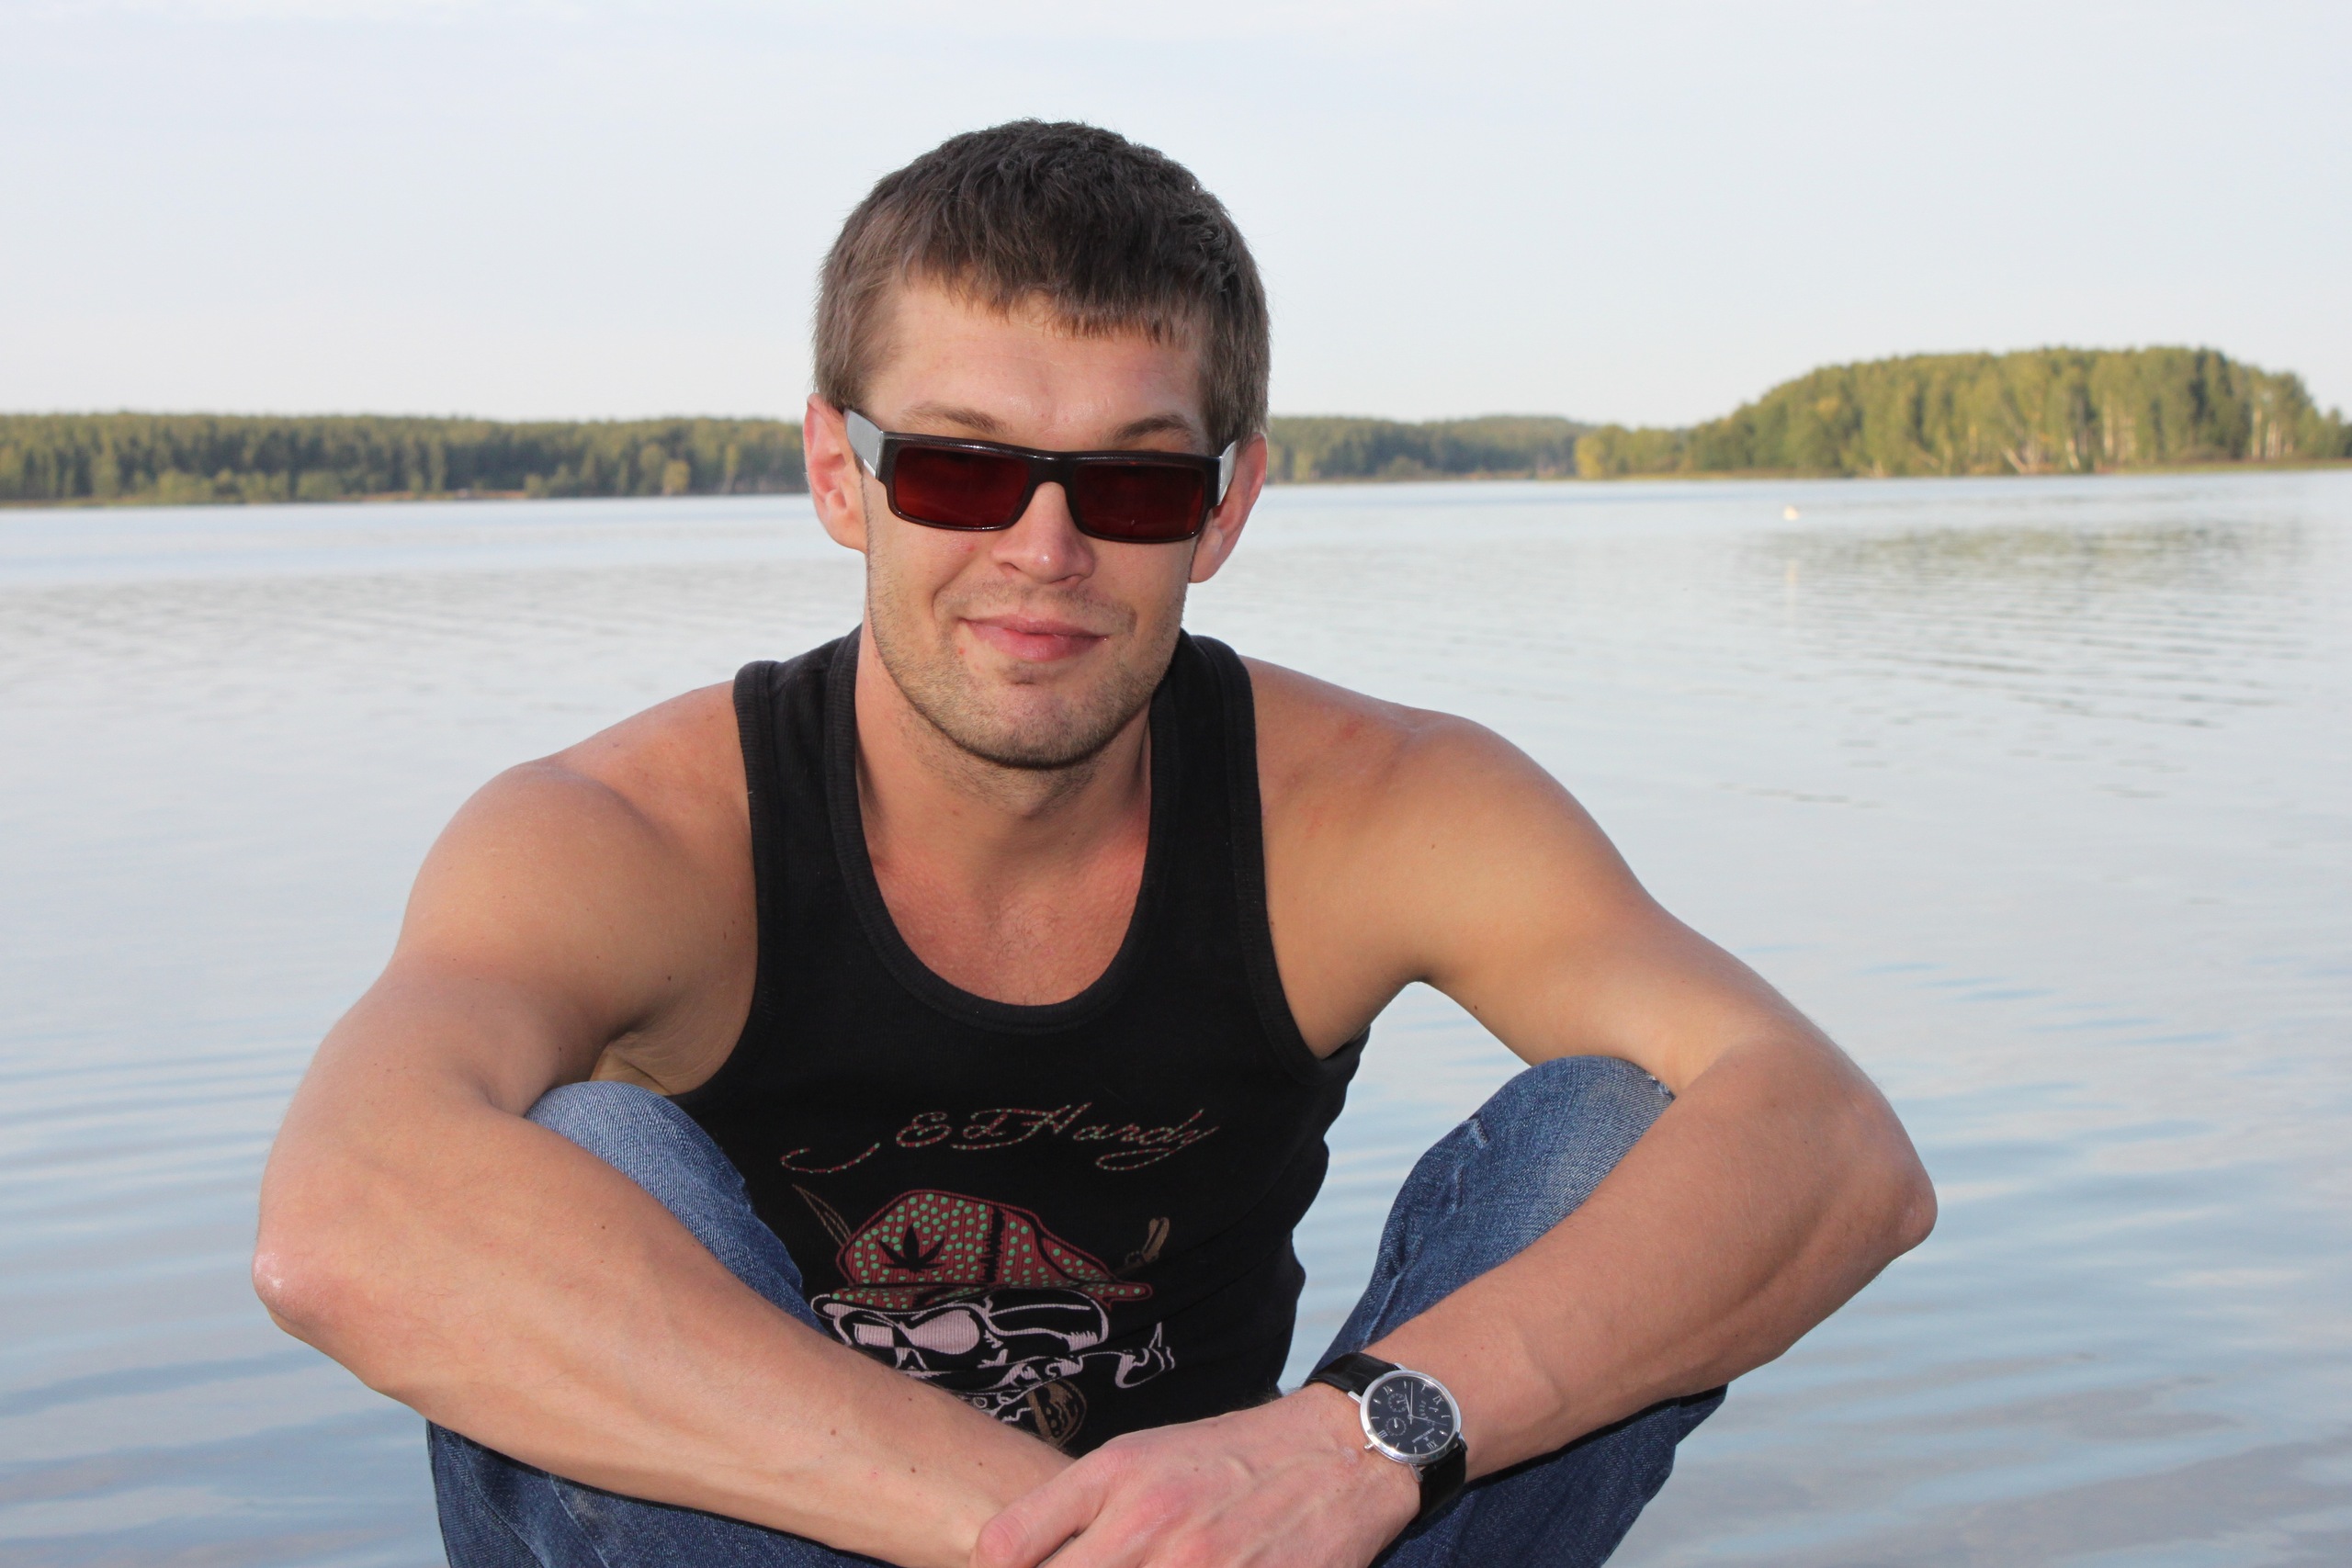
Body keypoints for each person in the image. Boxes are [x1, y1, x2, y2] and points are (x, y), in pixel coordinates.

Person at [254, 120, 1934, 1568]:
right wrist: (1055, 1534)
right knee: (575, 1150)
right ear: (840, 473)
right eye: (961, 468)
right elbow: (345, 1218)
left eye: (1131, 486)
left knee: (1626, 1134)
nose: (1045, 549)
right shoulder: (626, 837)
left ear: (1227, 506)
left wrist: (1353, 1445)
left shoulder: (1379, 808)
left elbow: (1835, 1145)